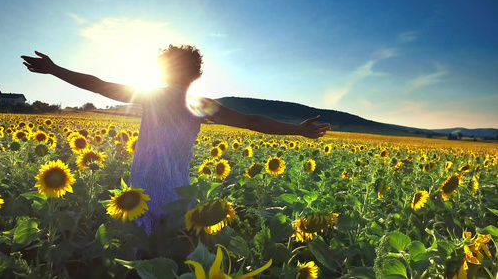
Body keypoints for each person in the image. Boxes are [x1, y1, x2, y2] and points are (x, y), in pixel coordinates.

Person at [21, 45, 331, 236]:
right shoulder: (198, 104)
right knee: (176, 256)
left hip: (142, 190)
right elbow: (251, 122)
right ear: (196, 75)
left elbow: (100, 85)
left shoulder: (153, 95)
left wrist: (54, 70)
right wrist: (298, 129)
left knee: (139, 259)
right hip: (179, 193)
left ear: (164, 71)